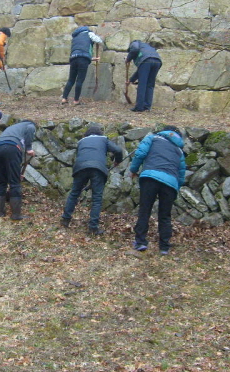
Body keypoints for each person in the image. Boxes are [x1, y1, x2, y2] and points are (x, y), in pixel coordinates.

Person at [129, 126, 185, 255]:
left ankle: (140, 242)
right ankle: (164, 247)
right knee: (165, 215)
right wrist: (176, 187)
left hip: (150, 178)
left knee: (145, 210)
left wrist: (133, 169)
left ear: (164, 131)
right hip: (170, 183)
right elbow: (181, 173)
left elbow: (141, 153)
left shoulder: (153, 138)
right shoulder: (179, 151)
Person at [60, 125, 123, 235]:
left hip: (80, 167)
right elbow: (118, 150)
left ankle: (65, 219)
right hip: (98, 168)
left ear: (87, 134)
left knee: (74, 193)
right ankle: (93, 227)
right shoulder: (103, 139)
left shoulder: (81, 141)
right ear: (99, 132)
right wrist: (117, 161)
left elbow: (79, 155)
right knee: (97, 198)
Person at [0, 120, 37, 220]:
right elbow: (30, 129)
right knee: (15, 182)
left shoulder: (13, 127)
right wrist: (29, 148)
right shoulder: (30, 125)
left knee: (2, 180)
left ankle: (0, 212)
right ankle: (16, 215)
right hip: (12, 147)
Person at [61, 26, 103, 106]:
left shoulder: (75, 38)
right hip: (83, 59)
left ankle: (64, 98)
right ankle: (76, 100)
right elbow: (98, 40)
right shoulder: (89, 33)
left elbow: (80, 51)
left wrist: (93, 59)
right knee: (79, 80)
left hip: (73, 58)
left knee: (71, 80)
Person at [126, 40, 162, 113]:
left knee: (142, 85)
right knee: (150, 85)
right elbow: (139, 71)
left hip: (146, 61)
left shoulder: (135, 43)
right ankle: (147, 106)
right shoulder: (146, 46)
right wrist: (131, 80)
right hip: (157, 61)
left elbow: (134, 49)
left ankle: (139, 107)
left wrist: (128, 59)